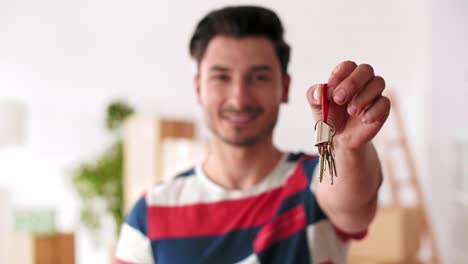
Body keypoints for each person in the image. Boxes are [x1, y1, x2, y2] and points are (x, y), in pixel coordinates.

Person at [115, 5, 389, 264]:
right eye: (221, 77)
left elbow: (352, 203)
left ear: (284, 87)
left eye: (258, 77)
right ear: (199, 88)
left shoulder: (313, 184)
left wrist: (345, 146)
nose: (239, 98)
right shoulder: (151, 212)